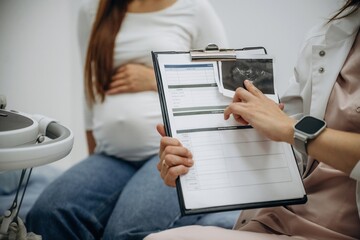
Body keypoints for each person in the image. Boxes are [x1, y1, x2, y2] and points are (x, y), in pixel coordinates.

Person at [25, 0, 240, 239]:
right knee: (48, 213)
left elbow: (225, 86)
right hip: (112, 156)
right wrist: (94, 160)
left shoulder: (195, 9)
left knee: (123, 233)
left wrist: (155, 79)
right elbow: (90, 94)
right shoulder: (93, 11)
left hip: (173, 156)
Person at [145, 1, 360, 239]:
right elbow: (291, 156)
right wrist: (193, 165)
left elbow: (287, 129)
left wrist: (290, 128)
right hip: (274, 218)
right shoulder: (328, 34)